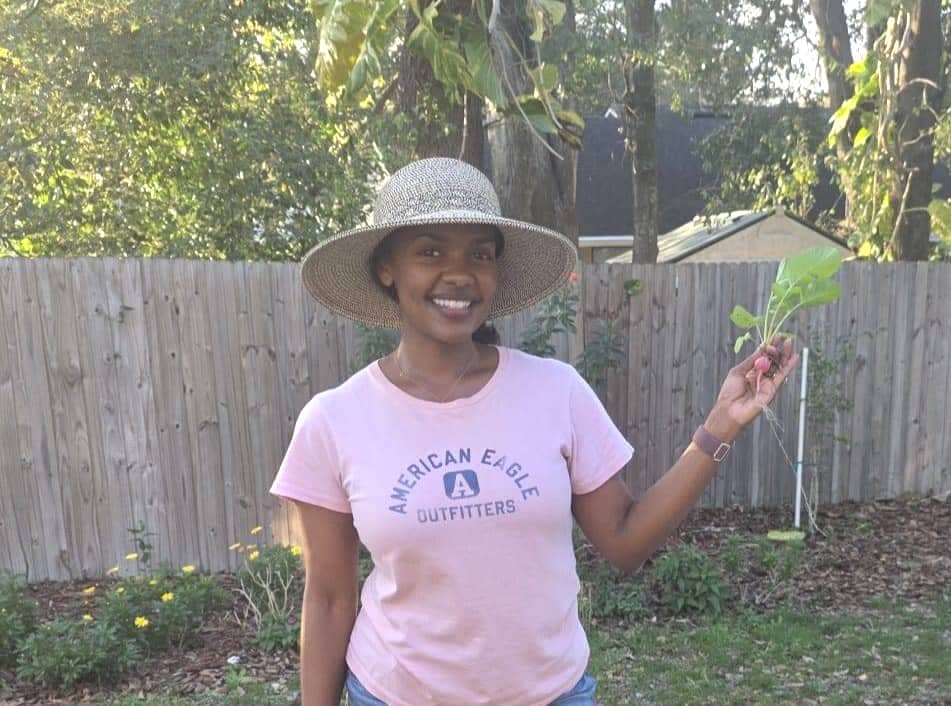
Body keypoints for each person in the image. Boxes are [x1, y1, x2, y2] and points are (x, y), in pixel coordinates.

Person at [269, 158, 798, 706]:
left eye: (480, 254)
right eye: (430, 252)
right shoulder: (335, 420)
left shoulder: (555, 391)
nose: (459, 274)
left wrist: (720, 425)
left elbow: (624, 542)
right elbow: (328, 598)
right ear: (387, 268)